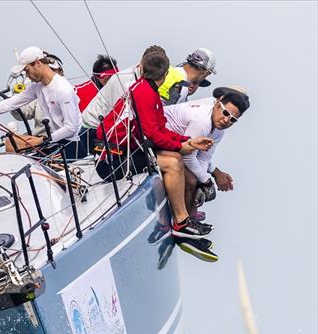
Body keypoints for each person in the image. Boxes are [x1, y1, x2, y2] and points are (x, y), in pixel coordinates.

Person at [98, 49, 215, 242]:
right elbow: (151, 135)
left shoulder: (148, 90)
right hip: (111, 161)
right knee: (173, 163)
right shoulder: (144, 93)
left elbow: (161, 128)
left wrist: (187, 141)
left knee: (175, 158)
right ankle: (181, 223)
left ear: (142, 68)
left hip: (124, 152)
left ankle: (182, 219)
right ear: (166, 74)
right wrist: (180, 146)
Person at [0, 47, 82, 157]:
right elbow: (11, 103)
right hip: (54, 142)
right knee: (10, 144)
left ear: (38, 63)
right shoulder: (37, 87)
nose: (27, 76)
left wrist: (41, 140)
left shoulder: (63, 89)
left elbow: (71, 128)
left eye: (27, 71)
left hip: (71, 146)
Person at [164, 86, 250, 219]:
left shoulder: (219, 130)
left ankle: (190, 218)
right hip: (158, 140)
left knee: (197, 180)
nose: (226, 120)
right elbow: (188, 157)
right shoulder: (202, 122)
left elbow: (203, 158)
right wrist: (205, 181)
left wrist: (203, 182)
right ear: (217, 105)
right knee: (192, 180)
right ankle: (183, 221)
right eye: (226, 113)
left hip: (176, 145)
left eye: (233, 119)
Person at [81, 45, 165, 129]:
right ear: (141, 63)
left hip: (107, 126)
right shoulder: (126, 81)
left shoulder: (146, 77)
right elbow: (118, 116)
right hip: (92, 126)